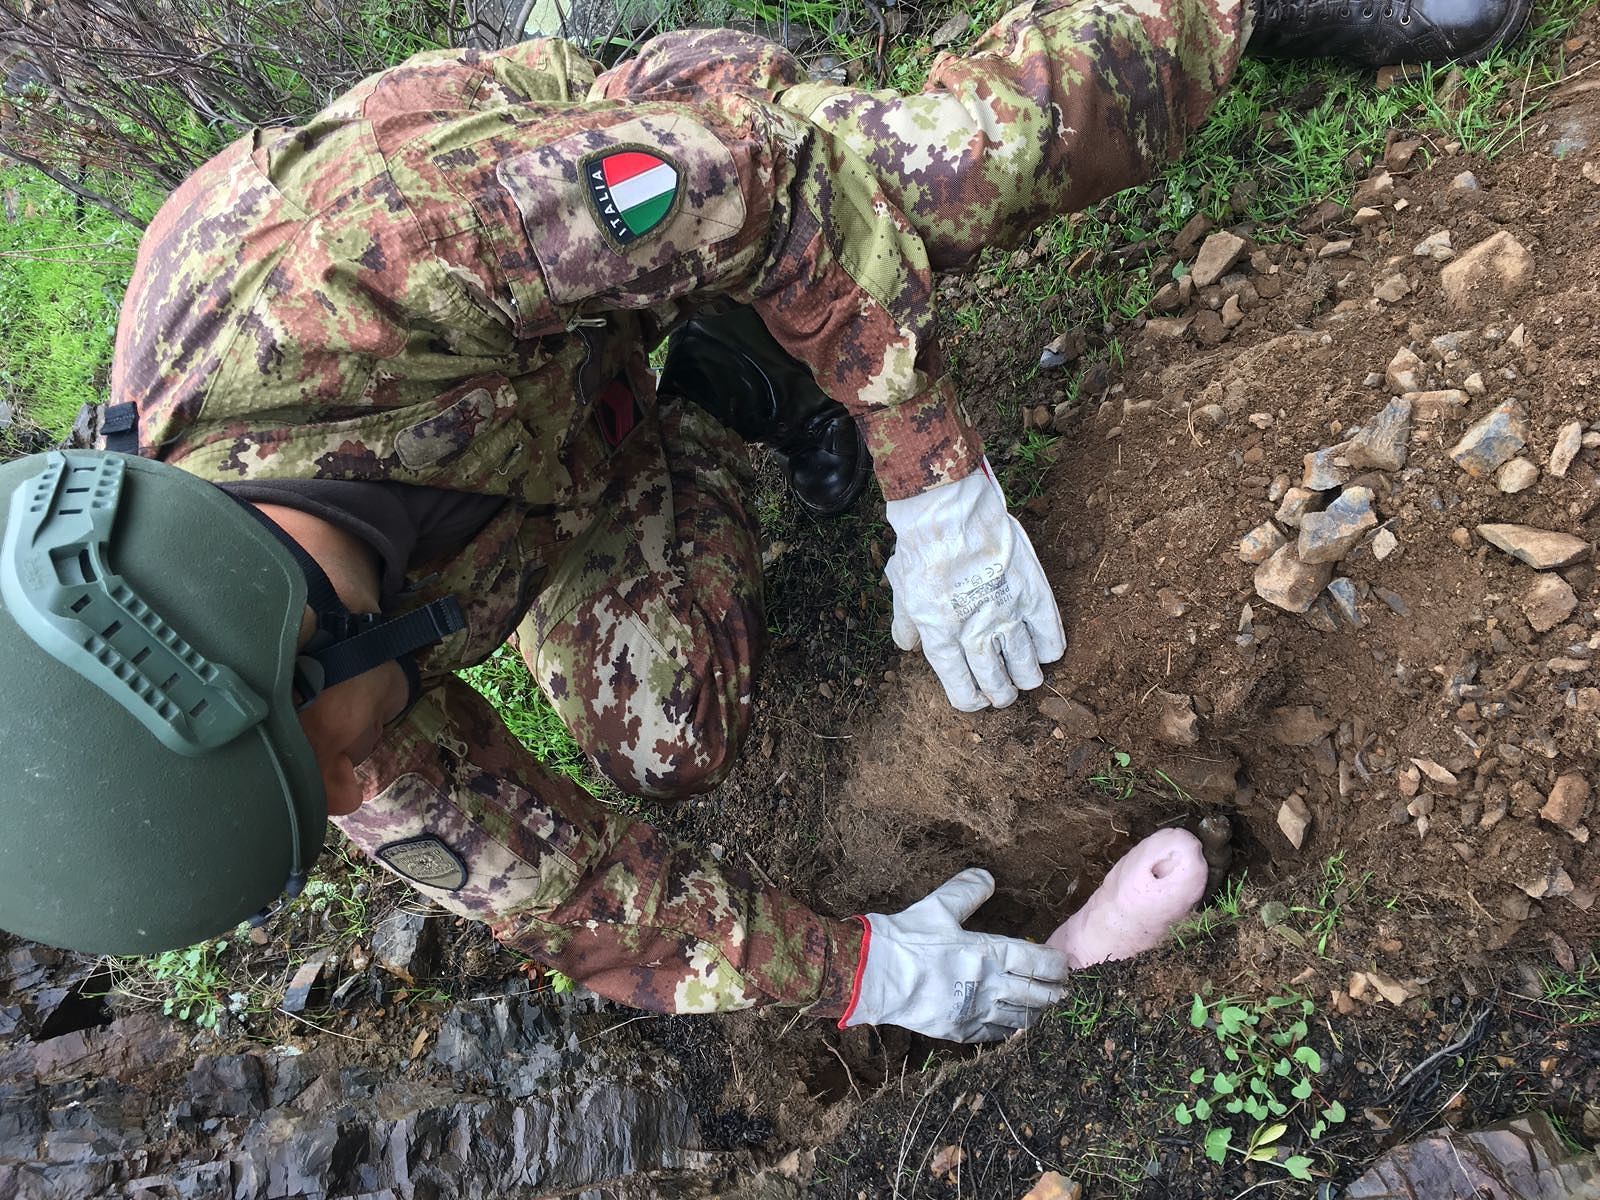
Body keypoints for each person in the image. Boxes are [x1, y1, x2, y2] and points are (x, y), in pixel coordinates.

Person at [0, 0, 1530, 1042]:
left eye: (317, 762)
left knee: (963, 164)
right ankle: (731, 389)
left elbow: (755, 183)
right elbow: (571, 896)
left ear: (286, 633)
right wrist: (870, 974)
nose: (356, 799)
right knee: (666, 733)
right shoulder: (293, 700)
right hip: (567, 427)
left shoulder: (368, 280)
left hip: (655, 176)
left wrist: (932, 472)